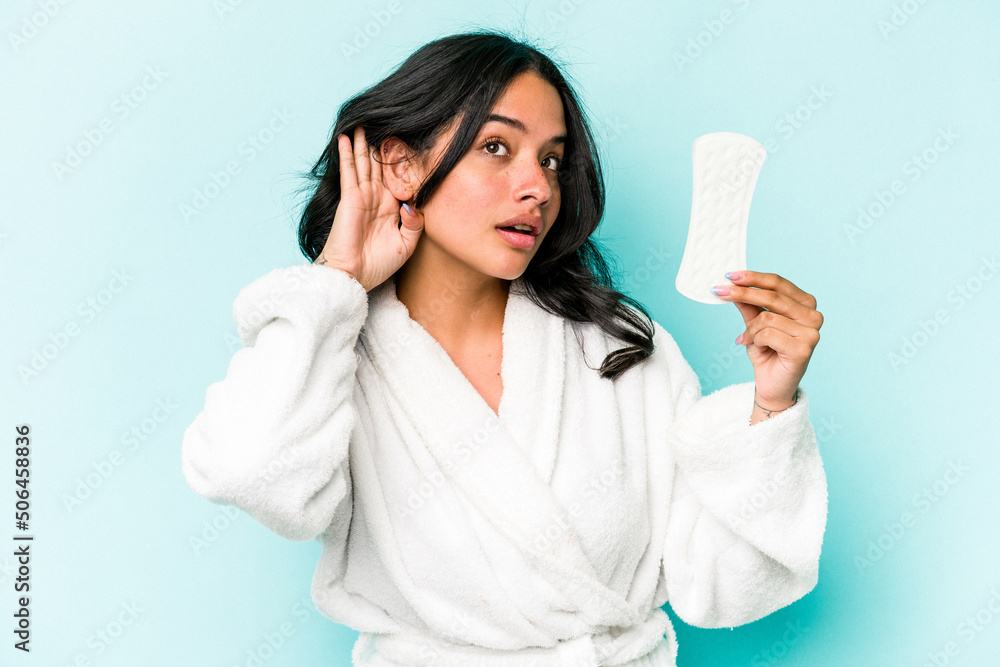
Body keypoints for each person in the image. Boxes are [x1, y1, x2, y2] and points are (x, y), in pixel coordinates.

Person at [181, 29, 828, 667]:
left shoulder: (620, 345)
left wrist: (770, 408)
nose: (539, 187)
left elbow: (725, 585)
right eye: (497, 146)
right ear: (403, 163)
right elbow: (249, 471)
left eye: (550, 158)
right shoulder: (336, 353)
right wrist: (335, 280)